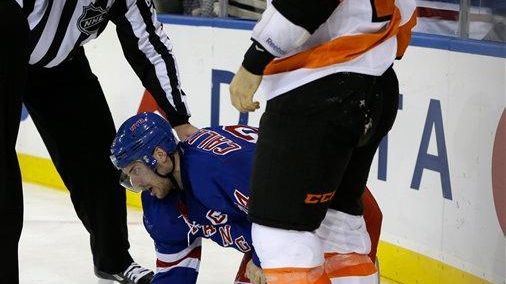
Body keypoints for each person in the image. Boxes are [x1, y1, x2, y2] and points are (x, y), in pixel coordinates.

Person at [0, 1, 197, 283]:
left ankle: (113, 258)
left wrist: (180, 118)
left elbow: (149, 42)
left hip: (59, 64)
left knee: (100, 163)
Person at [229, 0, 417, 283]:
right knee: (340, 231)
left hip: (318, 84)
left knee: (280, 236)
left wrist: (254, 60)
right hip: (376, 78)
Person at [109, 112, 385, 283]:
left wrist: (265, 260)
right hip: (277, 229)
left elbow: (288, 210)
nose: (134, 183)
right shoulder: (161, 202)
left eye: (135, 170)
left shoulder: (218, 169)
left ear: (159, 157)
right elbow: (174, 272)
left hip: (329, 212)